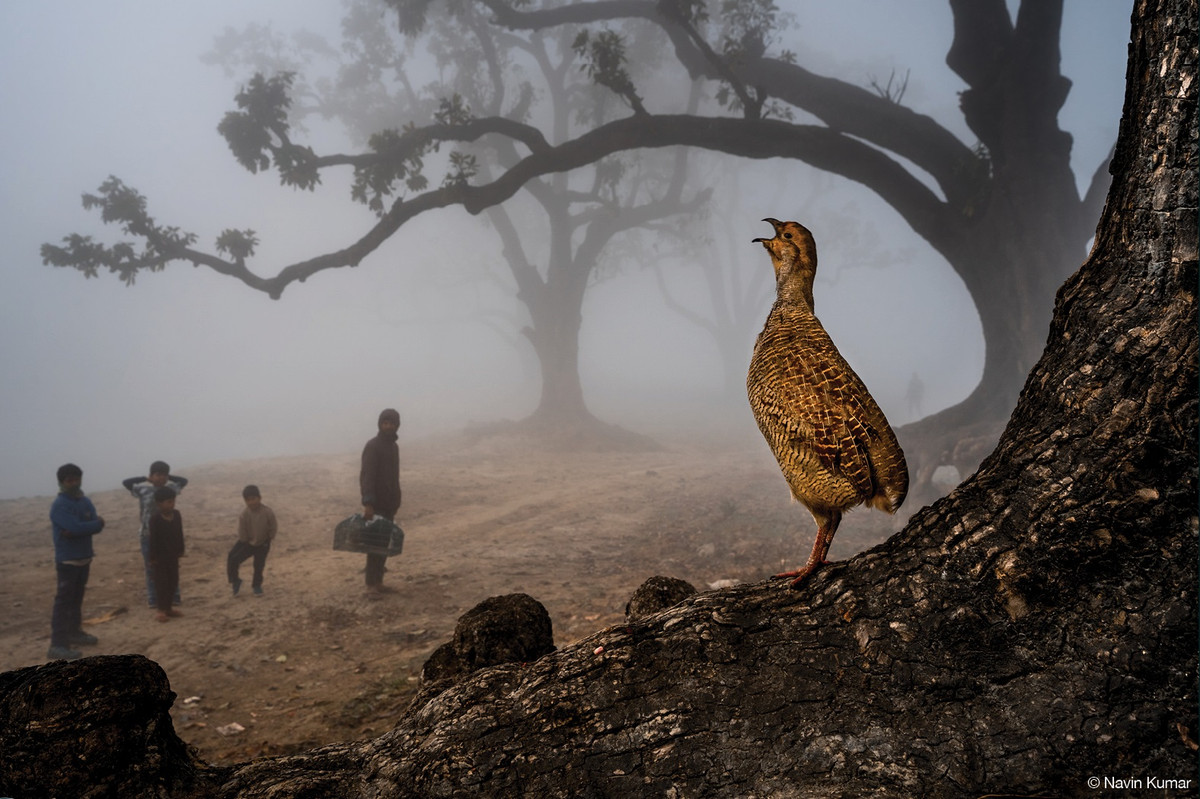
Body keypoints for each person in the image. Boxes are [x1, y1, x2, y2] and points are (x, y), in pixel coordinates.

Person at [48, 463, 105, 660]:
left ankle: (74, 632)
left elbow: (90, 526)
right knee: (63, 602)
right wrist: (91, 525)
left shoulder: (84, 501)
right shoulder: (59, 505)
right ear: (62, 482)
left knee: (76, 599)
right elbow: (78, 526)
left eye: (75, 479)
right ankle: (57, 644)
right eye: (68, 480)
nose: (73, 483)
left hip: (84, 557)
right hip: (68, 561)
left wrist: (84, 527)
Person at [123, 461, 188, 608]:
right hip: (148, 535)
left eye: (164, 475)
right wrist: (146, 479)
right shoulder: (144, 490)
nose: (161, 478)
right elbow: (126, 483)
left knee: (171, 567)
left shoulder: (170, 489)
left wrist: (168, 476)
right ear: (151, 475)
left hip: (168, 535)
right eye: (158, 475)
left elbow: (184, 481)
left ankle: (174, 596)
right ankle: (154, 598)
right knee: (152, 568)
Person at [360, 408, 402, 593]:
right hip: (376, 504)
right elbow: (367, 476)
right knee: (374, 545)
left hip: (389, 504)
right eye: (385, 423)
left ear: (397, 425)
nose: (388, 426)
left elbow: (394, 476)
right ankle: (370, 584)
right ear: (380, 424)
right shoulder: (373, 446)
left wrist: (397, 499)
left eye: (392, 423)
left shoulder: (393, 447)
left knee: (384, 544)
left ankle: (379, 582)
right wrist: (368, 502)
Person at [227, 484, 277, 597]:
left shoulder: (267, 512)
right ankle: (235, 580)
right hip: (247, 543)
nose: (251, 502)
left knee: (259, 565)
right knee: (232, 557)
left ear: (259, 498)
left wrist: (269, 538)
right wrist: (244, 542)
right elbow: (242, 530)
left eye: (253, 499)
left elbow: (273, 526)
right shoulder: (244, 514)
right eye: (248, 500)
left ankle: (256, 586)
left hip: (263, 543)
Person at [146, 486, 185, 623]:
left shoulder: (177, 515)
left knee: (173, 581)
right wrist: (153, 557)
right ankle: (161, 610)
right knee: (161, 583)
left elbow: (180, 533)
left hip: (173, 554)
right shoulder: (155, 519)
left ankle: (168, 608)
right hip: (160, 557)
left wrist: (181, 549)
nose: (172, 504)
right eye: (168, 502)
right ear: (159, 503)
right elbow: (153, 539)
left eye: (173, 501)